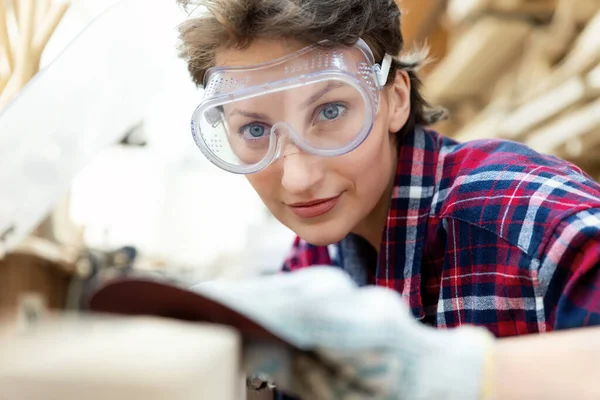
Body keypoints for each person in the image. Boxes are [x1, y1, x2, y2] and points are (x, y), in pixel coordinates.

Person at [174, 0, 600, 398]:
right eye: (254, 130)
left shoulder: (522, 215)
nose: (298, 179)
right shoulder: (317, 256)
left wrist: (463, 373)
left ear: (395, 98)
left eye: (329, 112)